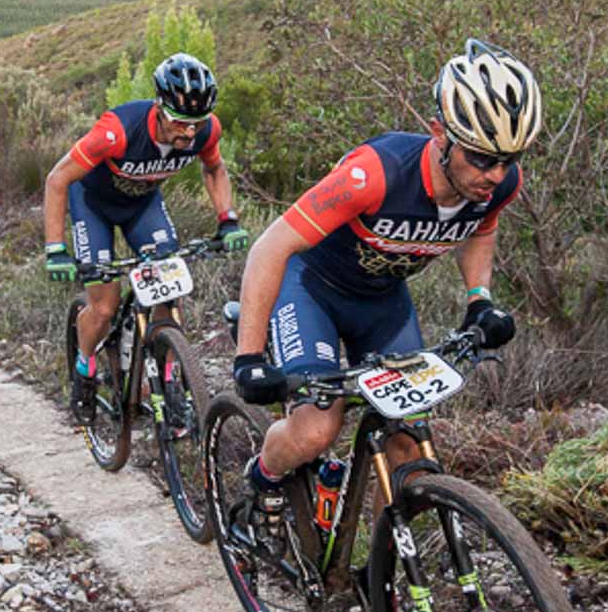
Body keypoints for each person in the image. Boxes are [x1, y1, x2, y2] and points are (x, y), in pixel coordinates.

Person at [229, 40, 539, 535]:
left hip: (382, 303)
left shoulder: (499, 183)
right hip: (311, 289)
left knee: (408, 444)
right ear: (440, 134)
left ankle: (383, 577)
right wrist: (248, 357)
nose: (496, 175)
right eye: (482, 158)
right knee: (316, 430)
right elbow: (271, 247)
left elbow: (483, 228)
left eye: (510, 159)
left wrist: (478, 300)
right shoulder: (373, 174)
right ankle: (264, 475)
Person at [43, 53, 250, 422]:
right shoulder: (117, 130)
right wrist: (56, 249)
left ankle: (169, 379)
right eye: (180, 122)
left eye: (196, 123)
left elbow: (214, 168)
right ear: (159, 106)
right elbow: (58, 179)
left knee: (169, 290)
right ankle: (85, 368)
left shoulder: (206, 131)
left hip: (142, 206)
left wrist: (227, 220)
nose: (188, 133)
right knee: (104, 307)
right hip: (93, 205)